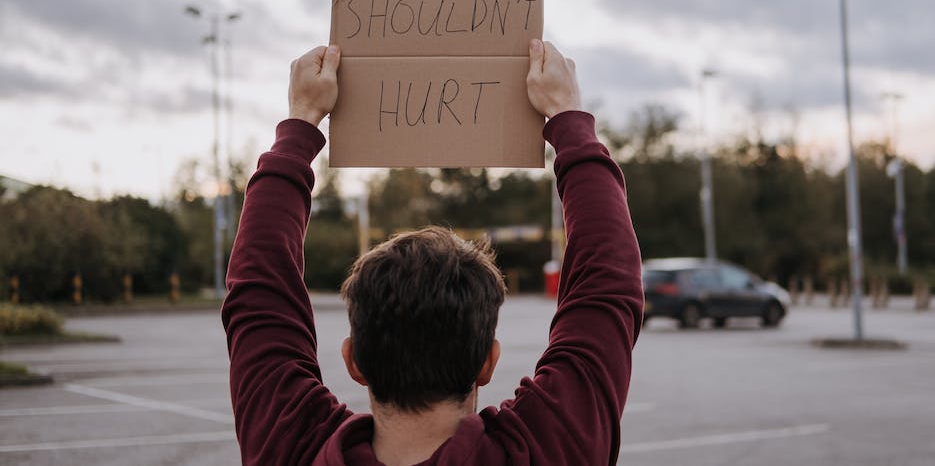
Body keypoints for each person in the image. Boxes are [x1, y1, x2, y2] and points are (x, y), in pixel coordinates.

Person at [222, 39, 644, 465]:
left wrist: (300, 124)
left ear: (354, 361)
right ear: (488, 361)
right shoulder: (546, 449)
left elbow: (259, 299)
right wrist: (568, 117)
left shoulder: (295, 449)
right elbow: (606, 288)